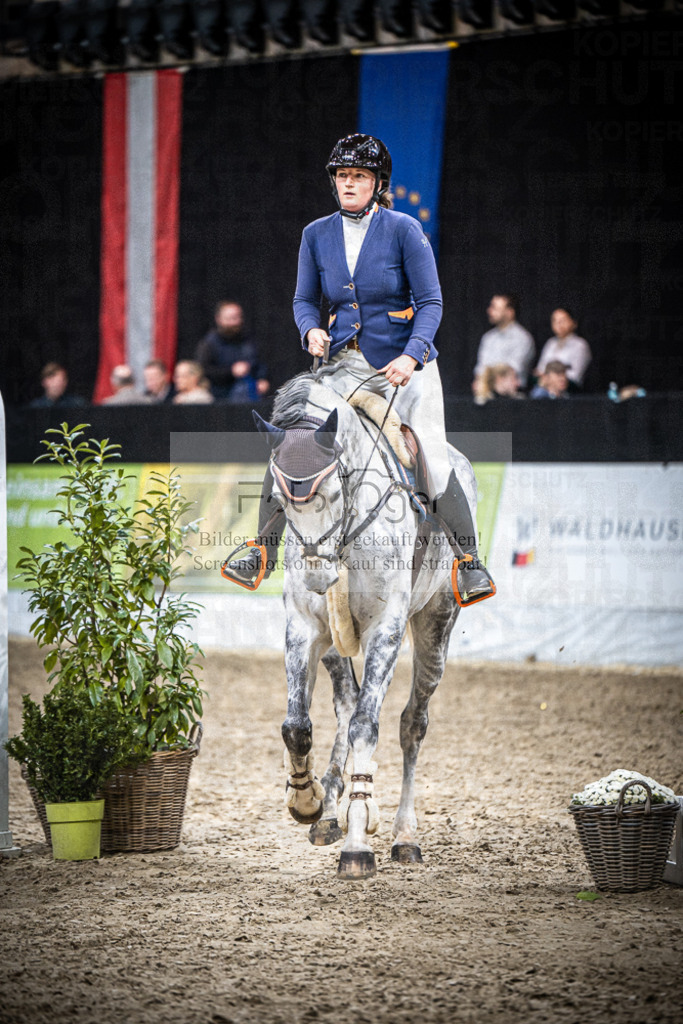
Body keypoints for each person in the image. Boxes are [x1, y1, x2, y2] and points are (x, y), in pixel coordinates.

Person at [225, 133, 495, 604]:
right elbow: (304, 299)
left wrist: (411, 355)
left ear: (377, 182)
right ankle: (260, 548)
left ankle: (469, 563)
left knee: (430, 455)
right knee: (295, 437)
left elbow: (430, 302)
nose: (349, 184)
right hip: (344, 365)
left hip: (406, 366)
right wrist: (309, 329)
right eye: (343, 176)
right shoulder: (316, 234)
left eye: (358, 176)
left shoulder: (404, 229)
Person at [195, 301, 270, 403]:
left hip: (249, 396)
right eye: (230, 318)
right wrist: (231, 371)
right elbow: (204, 369)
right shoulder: (209, 343)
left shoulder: (249, 340)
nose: (235, 322)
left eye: (237, 317)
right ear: (219, 319)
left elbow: (260, 363)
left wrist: (262, 379)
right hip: (220, 398)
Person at [472, 294, 535, 394]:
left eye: (495, 308)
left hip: (512, 394)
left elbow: (514, 368)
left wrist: (491, 375)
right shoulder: (488, 338)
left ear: (509, 312)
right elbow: (481, 367)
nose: (489, 311)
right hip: (488, 390)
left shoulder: (522, 338)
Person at [534, 308, 592, 390]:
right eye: (555, 321)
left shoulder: (580, 345)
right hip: (546, 389)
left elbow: (575, 376)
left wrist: (552, 378)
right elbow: (540, 369)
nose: (558, 324)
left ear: (574, 323)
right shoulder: (550, 343)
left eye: (563, 320)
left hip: (570, 392)